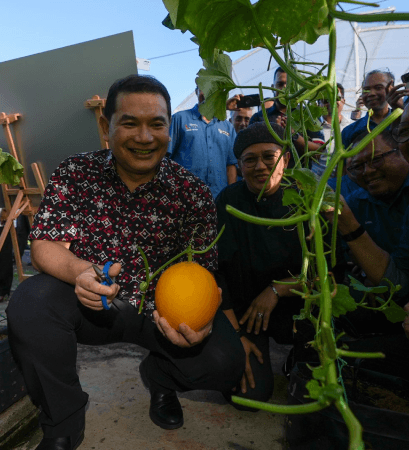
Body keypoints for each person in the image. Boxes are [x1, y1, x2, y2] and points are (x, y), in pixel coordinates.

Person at [6, 75, 245, 450]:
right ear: (106, 126)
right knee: (30, 304)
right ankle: (63, 424)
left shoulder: (193, 194)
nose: (144, 137)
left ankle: (160, 379)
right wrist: (80, 272)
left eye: (156, 124)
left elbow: (202, 271)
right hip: (92, 304)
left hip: (162, 314)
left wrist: (206, 319)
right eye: (130, 123)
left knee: (224, 362)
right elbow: (45, 245)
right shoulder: (76, 174)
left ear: (170, 127)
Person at [215, 122, 343, 407]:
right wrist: (235, 337)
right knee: (247, 396)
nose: (260, 166)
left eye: (268, 157)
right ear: (240, 165)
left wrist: (277, 289)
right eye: (250, 159)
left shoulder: (308, 197)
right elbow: (217, 273)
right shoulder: (228, 201)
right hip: (248, 312)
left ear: (284, 159)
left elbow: (330, 270)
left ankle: (302, 354)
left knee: (314, 391)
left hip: (299, 307)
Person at [326, 128, 409, 379]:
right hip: (390, 305)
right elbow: (349, 262)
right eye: (357, 167)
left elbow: (401, 287)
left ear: (402, 152)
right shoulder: (359, 200)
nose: (367, 171)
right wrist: (364, 273)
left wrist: (349, 226)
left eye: (376, 159)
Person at [167, 85, 237, 198]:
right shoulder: (179, 119)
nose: (208, 93)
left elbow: (231, 165)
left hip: (218, 197)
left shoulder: (228, 127)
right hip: (185, 198)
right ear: (196, 91)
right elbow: (165, 159)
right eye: (204, 88)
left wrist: (232, 196)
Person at [249, 67, 325, 163]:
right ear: (273, 87)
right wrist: (275, 133)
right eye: (280, 84)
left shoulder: (309, 114)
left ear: (296, 88)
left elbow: (319, 152)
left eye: (289, 84)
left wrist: (294, 135)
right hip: (268, 176)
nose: (285, 88)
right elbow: (250, 151)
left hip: (298, 176)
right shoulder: (259, 117)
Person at [341, 69, 408, 149]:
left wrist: (404, 109)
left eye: (378, 88)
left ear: (391, 89)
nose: (371, 94)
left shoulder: (404, 122)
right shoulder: (349, 131)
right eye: (366, 90)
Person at [311, 83, 353, 178]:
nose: (331, 102)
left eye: (336, 98)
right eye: (326, 100)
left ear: (343, 101)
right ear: (319, 104)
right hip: (316, 185)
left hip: (342, 186)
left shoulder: (351, 127)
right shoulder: (311, 127)